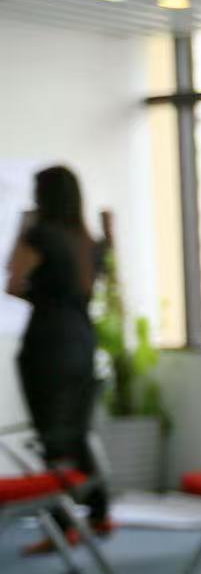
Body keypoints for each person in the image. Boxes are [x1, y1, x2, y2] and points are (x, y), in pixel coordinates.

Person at [6, 165, 109, 543]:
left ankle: (62, 524)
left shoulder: (39, 235)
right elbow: (91, 289)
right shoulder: (86, 240)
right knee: (76, 431)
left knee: (51, 436)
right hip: (82, 340)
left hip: (47, 342)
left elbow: (13, 280)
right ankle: (98, 513)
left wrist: (23, 228)